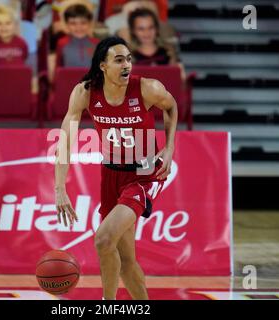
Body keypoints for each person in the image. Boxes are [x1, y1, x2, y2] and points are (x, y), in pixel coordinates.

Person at [54, 37, 178, 300]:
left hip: (144, 173)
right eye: (119, 60)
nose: (126, 65)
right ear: (103, 65)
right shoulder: (85, 92)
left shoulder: (147, 88)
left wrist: (169, 148)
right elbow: (65, 141)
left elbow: (171, 106)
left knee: (103, 238)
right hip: (110, 173)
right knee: (126, 259)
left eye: (129, 59)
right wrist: (59, 188)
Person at [55, 4, 99, 68]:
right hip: (69, 77)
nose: (78, 27)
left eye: (83, 23)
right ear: (67, 25)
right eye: (73, 23)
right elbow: (58, 68)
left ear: (89, 23)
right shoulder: (61, 43)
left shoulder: (97, 43)